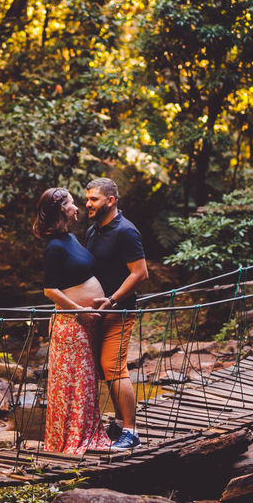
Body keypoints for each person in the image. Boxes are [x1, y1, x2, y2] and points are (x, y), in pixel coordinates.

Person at [34, 187, 110, 454]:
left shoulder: (72, 239)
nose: (77, 207)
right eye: (71, 203)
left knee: (86, 383)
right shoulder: (54, 246)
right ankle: (69, 441)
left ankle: (86, 434)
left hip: (84, 325)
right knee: (71, 385)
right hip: (70, 325)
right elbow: (49, 290)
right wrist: (79, 310)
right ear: (60, 210)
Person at [84, 177, 149, 450]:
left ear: (110, 201)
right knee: (104, 369)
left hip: (119, 312)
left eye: (93, 199)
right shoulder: (93, 231)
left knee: (114, 368)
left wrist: (113, 299)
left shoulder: (126, 231)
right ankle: (121, 423)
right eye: (86, 199)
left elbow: (141, 273)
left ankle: (132, 432)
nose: (87, 203)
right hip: (96, 315)